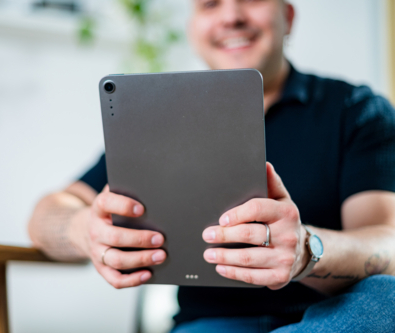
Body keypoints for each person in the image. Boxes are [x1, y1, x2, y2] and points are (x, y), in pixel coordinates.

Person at [28, 0, 395, 331]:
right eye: (210, 4)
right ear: (193, 28)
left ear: (289, 16)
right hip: (211, 325)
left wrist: (306, 251)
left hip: (334, 318)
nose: (231, 16)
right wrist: (82, 229)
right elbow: (46, 215)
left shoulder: (355, 110)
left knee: (387, 297)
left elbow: (387, 244)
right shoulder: (159, 120)